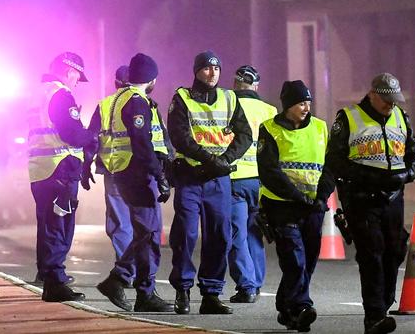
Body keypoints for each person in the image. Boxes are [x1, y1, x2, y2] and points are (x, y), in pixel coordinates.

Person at [325, 73, 415, 334]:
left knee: (395, 250)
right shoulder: (349, 118)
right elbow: (335, 160)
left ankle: (384, 301)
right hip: (361, 199)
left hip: (392, 197)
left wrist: (409, 173)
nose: (391, 105)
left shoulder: (401, 117)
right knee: (372, 254)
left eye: (394, 100)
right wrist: (366, 177)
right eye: (386, 100)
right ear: (373, 94)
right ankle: (375, 315)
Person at [81, 54, 173, 312]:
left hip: (119, 170)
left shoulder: (117, 99)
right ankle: (124, 281)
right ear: (152, 79)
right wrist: (160, 176)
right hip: (136, 172)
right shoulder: (137, 102)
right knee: (148, 232)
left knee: (144, 231)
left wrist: (86, 165)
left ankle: (141, 290)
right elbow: (142, 144)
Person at [167, 50, 252, 315]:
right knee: (186, 234)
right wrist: (209, 159)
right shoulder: (181, 98)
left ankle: (211, 294)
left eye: (216, 68)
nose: (212, 73)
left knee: (220, 236)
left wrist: (225, 159)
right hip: (191, 177)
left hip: (218, 179)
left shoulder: (229, 98)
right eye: (206, 68)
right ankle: (182, 289)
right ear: (196, 71)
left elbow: (245, 134)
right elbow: (179, 137)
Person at [257, 80, 334, 332]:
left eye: (308, 102)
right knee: (294, 259)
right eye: (301, 102)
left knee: (309, 259)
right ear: (288, 105)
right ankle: (302, 305)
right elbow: (270, 172)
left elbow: (330, 168)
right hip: (282, 206)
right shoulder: (270, 129)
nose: (306, 107)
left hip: (312, 207)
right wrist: (297, 196)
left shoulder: (321, 128)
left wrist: (321, 197)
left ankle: (287, 308)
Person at [27, 52, 97, 302]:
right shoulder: (60, 94)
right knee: (59, 227)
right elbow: (72, 135)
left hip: (39, 168)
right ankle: (55, 282)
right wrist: (92, 134)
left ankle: (48, 276)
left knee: (48, 225)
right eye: (78, 77)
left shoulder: (37, 93)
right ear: (70, 71)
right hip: (60, 168)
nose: (77, 82)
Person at [227, 65, 277, 303]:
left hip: (235, 178)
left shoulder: (227, 104)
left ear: (236, 84)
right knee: (255, 232)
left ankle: (246, 285)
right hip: (262, 181)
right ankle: (256, 282)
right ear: (256, 86)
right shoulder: (270, 110)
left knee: (236, 233)